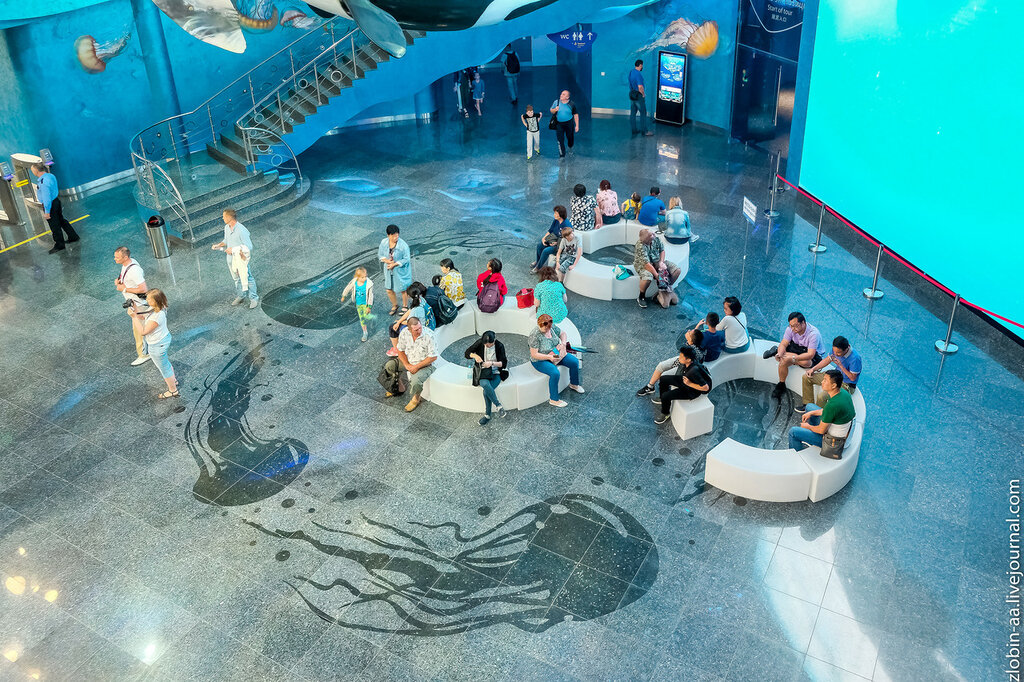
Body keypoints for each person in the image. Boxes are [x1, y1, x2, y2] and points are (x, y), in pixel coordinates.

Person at [789, 369, 855, 456]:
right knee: (809, 407)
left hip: (833, 442)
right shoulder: (842, 392)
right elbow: (828, 411)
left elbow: (821, 430)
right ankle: (811, 440)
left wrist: (808, 427)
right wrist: (811, 413)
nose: (822, 382)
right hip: (843, 431)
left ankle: (796, 456)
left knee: (793, 432)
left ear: (834, 385)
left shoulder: (832, 406)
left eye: (825, 380)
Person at [763, 311, 828, 398]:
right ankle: (781, 384)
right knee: (783, 360)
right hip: (797, 347)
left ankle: (776, 351)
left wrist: (792, 358)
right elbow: (784, 343)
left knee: (805, 363)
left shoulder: (813, 334)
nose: (793, 328)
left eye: (796, 326)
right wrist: (780, 353)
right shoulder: (790, 329)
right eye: (791, 326)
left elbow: (810, 355)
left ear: (803, 323)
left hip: (812, 354)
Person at [128, 288, 178, 400]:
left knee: (164, 368)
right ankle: (173, 381)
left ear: (156, 300)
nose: (147, 300)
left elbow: (143, 332)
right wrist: (135, 309)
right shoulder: (156, 308)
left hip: (157, 345)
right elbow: (143, 316)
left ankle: (173, 390)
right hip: (162, 340)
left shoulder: (157, 316)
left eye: (149, 299)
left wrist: (134, 317)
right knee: (165, 363)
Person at [383, 317, 437, 412]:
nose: (419, 331)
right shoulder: (404, 333)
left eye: (420, 328)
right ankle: (398, 387)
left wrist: (416, 367)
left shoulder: (429, 335)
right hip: (409, 361)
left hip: (426, 365)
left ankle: (416, 398)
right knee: (390, 366)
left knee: (415, 381)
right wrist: (407, 364)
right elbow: (400, 350)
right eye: (416, 330)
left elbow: (432, 357)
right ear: (409, 329)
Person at [529, 314, 583, 408]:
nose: (547, 331)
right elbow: (534, 354)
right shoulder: (534, 335)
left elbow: (563, 334)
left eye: (548, 329)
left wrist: (563, 343)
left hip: (555, 353)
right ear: (539, 325)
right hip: (540, 360)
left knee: (574, 362)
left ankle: (574, 384)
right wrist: (549, 357)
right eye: (544, 329)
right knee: (555, 373)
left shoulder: (551, 326)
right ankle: (554, 399)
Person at [211, 209, 259, 309]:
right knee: (236, 279)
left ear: (229, 217)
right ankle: (241, 295)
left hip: (240, 260)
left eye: (224, 216)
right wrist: (219, 245)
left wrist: (233, 249)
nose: (222, 218)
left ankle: (254, 298)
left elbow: (249, 246)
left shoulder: (242, 230)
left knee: (248, 278)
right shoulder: (226, 227)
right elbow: (226, 240)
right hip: (230, 260)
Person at [636, 329, 705, 396]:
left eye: (690, 332)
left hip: (685, 368)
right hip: (682, 359)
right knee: (661, 365)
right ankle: (650, 387)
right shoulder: (694, 343)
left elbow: (684, 362)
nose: (688, 331)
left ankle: (664, 395)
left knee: (663, 376)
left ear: (691, 340)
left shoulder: (693, 352)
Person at [800, 336, 862, 410]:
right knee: (806, 377)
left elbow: (852, 378)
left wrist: (841, 365)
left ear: (846, 349)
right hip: (835, 376)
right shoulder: (836, 349)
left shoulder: (855, 358)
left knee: (822, 396)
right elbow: (828, 359)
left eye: (838, 353)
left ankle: (817, 414)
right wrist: (813, 369)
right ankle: (807, 405)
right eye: (834, 351)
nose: (835, 354)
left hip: (846, 384)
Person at [653, 345, 710, 424]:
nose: (679, 358)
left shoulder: (693, 371)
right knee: (663, 379)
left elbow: (705, 387)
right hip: (686, 380)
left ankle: (665, 413)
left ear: (688, 360)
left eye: (681, 357)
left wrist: (689, 384)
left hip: (691, 391)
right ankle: (662, 399)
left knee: (666, 396)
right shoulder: (689, 363)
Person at [114, 246, 151, 366]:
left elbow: (143, 288)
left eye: (117, 257)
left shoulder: (134, 270)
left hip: (138, 305)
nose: (115, 259)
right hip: (134, 303)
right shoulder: (127, 264)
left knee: (139, 330)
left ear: (125, 257)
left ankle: (144, 354)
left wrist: (124, 288)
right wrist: (120, 281)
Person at [30, 163, 79, 254]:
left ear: (36, 171)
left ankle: (59, 244)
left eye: (32, 170)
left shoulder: (43, 182)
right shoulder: (50, 176)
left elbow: (47, 198)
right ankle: (73, 236)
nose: (32, 172)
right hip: (56, 201)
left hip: (50, 205)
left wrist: (47, 211)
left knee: (54, 225)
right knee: (61, 220)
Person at [465, 331, 509, 425]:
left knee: (486, 392)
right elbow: (467, 353)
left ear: (494, 340)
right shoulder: (480, 343)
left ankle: (487, 415)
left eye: (490, 345)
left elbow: (503, 363)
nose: (488, 346)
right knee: (484, 384)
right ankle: (498, 405)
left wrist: (492, 363)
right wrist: (475, 355)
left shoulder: (499, 346)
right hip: (484, 371)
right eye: (486, 345)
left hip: (497, 372)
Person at [633, 229, 681, 308]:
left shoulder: (656, 239)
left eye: (653, 233)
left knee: (677, 270)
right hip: (643, 265)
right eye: (651, 235)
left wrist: (661, 262)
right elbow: (646, 264)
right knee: (647, 278)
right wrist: (657, 275)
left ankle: (665, 289)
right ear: (647, 240)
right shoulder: (640, 246)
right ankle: (641, 296)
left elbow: (662, 250)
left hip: (657, 261)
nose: (654, 235)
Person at [377, 224, 412, 315]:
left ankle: (405, 306)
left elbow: (406, 259)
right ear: (388, 235)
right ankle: (395, 305)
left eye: (397, 235)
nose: (396, 237)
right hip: (389, 269)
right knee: (389, 289)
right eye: (393, 236)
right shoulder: (384, 242)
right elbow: (381, 255)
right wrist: (387, 261)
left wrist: (395, 264)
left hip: (400, 270)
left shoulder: (403, 246)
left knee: (403, 288)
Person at [387, 283, 430, 356]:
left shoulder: (415, 310)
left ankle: (397, 350)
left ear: (409, 296)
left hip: (419, 329)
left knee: (392, 327)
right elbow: (409, 311)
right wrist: (399, 321)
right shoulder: (420, 300)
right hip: (426, 323)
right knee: (397, 324)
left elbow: (410, 323)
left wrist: (398, 322)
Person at [532, 206, 571, 271]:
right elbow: (550, 230)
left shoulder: (566, 225)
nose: (554, 215)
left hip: (560, 245)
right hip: (554, 239)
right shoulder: (556, 220)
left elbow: (567, 240)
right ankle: (538, 261)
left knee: (546, 251)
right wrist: (544, 238)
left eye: (556, 213)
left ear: (561, 214)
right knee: (539, 245)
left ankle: (538, 267)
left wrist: (556, 243)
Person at [340, 266, 374, 342]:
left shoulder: (369, 284)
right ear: (357, 277)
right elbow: (348, 288)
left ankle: (372, 319)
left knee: (367, 316)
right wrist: (344, 296)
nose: (364, 278)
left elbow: (370, 296)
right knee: (362, 319)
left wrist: (369, 306)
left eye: (365, 276)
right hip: (359, 304)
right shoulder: (354, 282)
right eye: (362, 277)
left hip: (366, 304)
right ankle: (365, 332)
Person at [549, 90, 579, 158]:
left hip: (569, 123)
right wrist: (555, 110)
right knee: (560, 140)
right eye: (561, 94)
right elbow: (551, 110)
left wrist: (577, 125)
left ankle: (570, 146)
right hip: (559, 124)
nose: (561, 95)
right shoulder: (556, 102)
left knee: (570, 137)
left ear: (567, 97)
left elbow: (575, 115)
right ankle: (562, 155)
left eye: (563, 94)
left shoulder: (571, 104)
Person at [628, 59, 654, 137]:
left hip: (632, 94)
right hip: (638, 96)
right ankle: (645, 131)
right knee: (643, 113)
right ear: (640, 65)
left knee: (633, 113)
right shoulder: (638, 74)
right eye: (642, 65)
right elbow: (640, 87)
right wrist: (643, 94)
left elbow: (630, 83)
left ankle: (634, 130)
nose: (642, 67)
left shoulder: (631, 72)